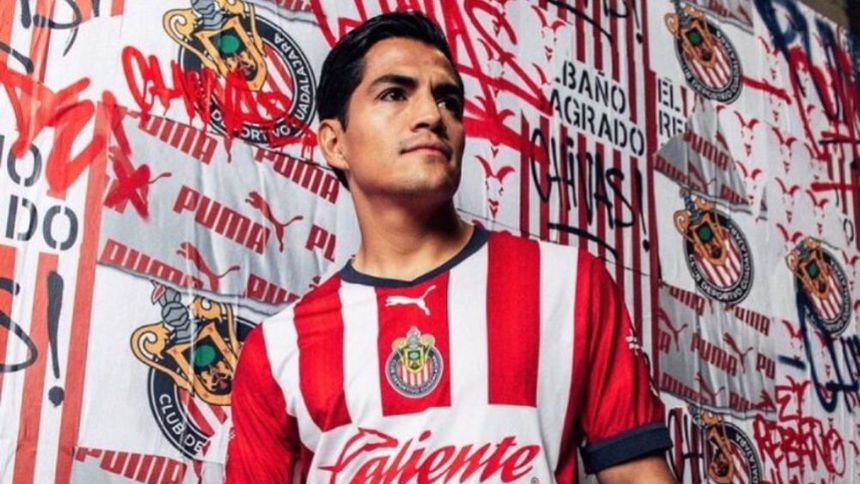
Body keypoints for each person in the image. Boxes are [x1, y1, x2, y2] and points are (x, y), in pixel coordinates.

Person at [226, 11, 675, 483]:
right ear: (336, 144)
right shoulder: (278, 348)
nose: (431, 116)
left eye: (449, 101)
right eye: (394, 94)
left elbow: (637, 476)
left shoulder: (568, 284)